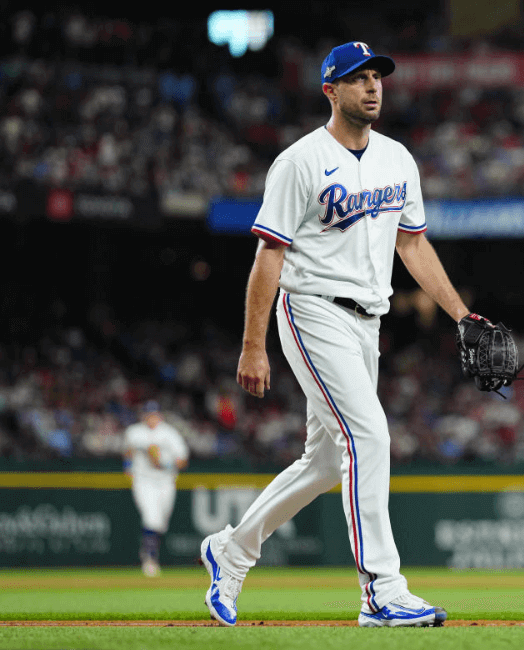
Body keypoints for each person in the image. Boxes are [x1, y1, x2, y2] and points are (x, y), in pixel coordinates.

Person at [199, 41, 486, 628]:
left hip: (367, 322)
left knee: (327, 462)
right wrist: (253, 345)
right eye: (358, 78)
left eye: (378, 75)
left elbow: (413, 243)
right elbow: (268, 256)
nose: (374, 85)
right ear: (330, 90)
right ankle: (381, 590)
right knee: (369, 436)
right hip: (312, 309)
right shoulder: (299, 162)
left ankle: (230, 551)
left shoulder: (398, 160)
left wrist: (462, 315)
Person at [124, 400, 189, 577]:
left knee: (160, 523)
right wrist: (127, 467)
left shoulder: (169, 433)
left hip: (166, 482)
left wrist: (165, 464)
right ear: (143, 415)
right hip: (143, 481)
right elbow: (128, 451)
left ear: (159, 415)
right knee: (151, 518)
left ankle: (148, 551)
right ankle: (150, 559)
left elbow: (182, 459)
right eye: (148, 414)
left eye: (154, 414)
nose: (151, 417)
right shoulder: (134, 432)